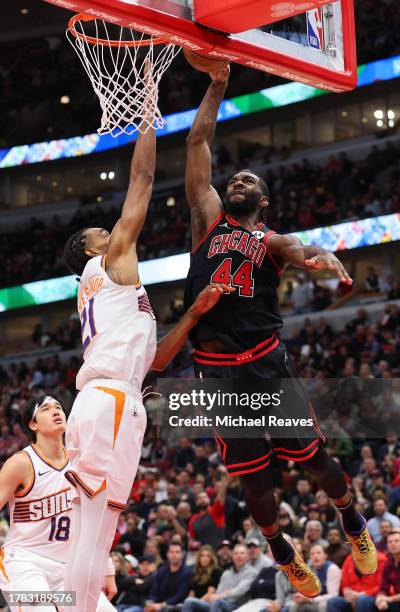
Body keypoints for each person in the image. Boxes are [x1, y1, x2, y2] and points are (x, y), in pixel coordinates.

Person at [182, 63, 377, 599]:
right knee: (254, 479)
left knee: (313, 457)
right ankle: (282, 552)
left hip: (267, 366)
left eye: (249, 182)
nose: (236, 181)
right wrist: (217, 85)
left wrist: (324, 255)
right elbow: (199, 142)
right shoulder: (206, 222)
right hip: (218, 376)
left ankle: (352, 518)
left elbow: (304, 248)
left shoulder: (270, 241)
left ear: (263, 201)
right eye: (234, 179)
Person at [62, 91, 233, 609]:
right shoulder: (110, 262)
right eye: (104, 231)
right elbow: (141, 182)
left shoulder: (105, 287)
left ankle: (80, 600)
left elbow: (155, 362)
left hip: (117, 397)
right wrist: (146, 120)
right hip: (109, 400)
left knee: (102, 522)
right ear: (95, 247)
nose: (113, 230)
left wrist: (193, 316)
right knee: (91, 523)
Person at [0, 395, 115, 612]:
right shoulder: (21, 463)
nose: (55, 411)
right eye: (45, 409)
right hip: (25, 563)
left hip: (68, 569)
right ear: (33, 424)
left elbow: (94, 519)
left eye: (58, 407)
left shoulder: (81, 461)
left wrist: (107, 568)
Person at [182, 543, 257, 612]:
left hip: (238, 605)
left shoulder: (251, 572)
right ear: (232, 556)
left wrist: (223, 595)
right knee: (189, 601)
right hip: (220, 602)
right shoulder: (227, 573)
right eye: (236, 553)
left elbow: (240, 591)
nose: (239, 556)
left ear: (247, 556)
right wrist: (220, 595)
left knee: (217, 602)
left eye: (242, 553)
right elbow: (219, 592)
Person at [354, 530, 400, 611]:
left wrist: (389, 599)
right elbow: (383, 587)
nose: (393, 544)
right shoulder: (389, 562)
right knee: (364, 600)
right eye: (390, 542)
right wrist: (381, 598)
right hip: (395, 600)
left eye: (396, 541)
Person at [285, 544, 341, 612]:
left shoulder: (332, 569)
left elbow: (333, 595)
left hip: (327, 601)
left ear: (325, 555)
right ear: (310, 557)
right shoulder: (308, 568)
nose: (315, 556)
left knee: (323, 605)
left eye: (319, 553)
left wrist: (310, 599)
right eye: (312, 554)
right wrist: (301, 596)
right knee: (293, 605)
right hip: (313, 600)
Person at [146, 541, 192, 611]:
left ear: (182, 555)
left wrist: (162, 605)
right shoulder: (161, 571)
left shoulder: (187, 573)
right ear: (167, 554)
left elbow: (180, 595)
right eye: (171, 552)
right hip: (158, 606)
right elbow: (154, 591)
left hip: (176, 607)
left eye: (177, 552)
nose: (174, 555)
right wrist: (151, 603)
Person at [182, 545, 222, 609]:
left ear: (211, 558)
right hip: (193, 603)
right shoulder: (195, 573)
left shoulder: (216, 571)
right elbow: (191, 593)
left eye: (208, 556)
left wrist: (195, 603)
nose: (204, 558)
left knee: (189, 602)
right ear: (199, 558)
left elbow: (210, 594)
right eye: (202, 555)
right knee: (174, 608)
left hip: (208, 604)